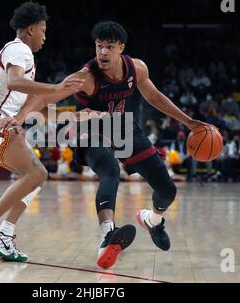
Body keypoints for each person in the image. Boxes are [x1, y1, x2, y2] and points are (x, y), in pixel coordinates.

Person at [12, 21, 211, 269]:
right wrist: (20, 118)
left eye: (109, 47)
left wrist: (189, 122)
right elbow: (43, 97)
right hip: (89, 131)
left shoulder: (136, 68)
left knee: (167, 190)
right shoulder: (85, 77)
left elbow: (155, 97)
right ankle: (107, 235)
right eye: (99, 46)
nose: (103, 52)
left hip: (123, 129)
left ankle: (153, 219)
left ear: (121, 48)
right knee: (110, 170)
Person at [0, 1, 83, 267]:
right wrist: (55, 87)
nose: (45, 36)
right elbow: (15, 82)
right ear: (30, 29)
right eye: (43, 30)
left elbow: (35, 106)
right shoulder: (19, 50)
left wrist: (78, 117)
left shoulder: (24, 56)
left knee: (38, 177)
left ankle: (4, 235)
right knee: (36, 173)